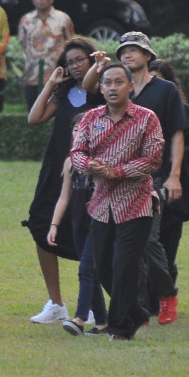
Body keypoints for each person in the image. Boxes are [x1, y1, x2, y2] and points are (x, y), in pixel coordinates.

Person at [84, 32, 187, 325]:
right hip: (111, 181)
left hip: (152, 176)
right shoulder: (115, 86)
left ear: (148, 55)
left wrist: (175, 176)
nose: (128, 54)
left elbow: (177, 133)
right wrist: (98, 67)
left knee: (148, 241)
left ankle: (166, 294)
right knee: (116, 250)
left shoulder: (165, 90)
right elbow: (87, 88)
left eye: (135, 50)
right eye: (124, 51)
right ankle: (136, 306)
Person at [71, 63, 163, 341]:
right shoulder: (91, 118)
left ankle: (120, 328)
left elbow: (153, 159)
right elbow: (77, 152)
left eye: (119, 82)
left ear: (130, 86)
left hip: (136, 203)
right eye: (107, 83)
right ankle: (135, 311)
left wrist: (117, 172)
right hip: (100, 204)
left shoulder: (147, 118)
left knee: (125, 264)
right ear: (100, 88)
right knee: (103, 266)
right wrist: (89, 166)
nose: (113, 87)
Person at [24, 37, 104, 324]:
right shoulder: (65, 92)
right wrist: (51, 83)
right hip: (57, 168)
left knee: (88, 232)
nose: (75, 66)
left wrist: (97, 67)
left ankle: (94, 305)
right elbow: (34, 118)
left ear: (91, 60)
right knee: (40, 225)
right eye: (70, 62)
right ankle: (56, 303)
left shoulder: (101, 90)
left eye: (80, 60)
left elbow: (91, 84)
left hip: (90, 173)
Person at [47, 114, 109, 336]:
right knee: (91, 272)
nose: (78, 133)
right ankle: (102, 323)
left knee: (85, 270)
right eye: (75, 129)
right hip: (78, 223)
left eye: (84, 129)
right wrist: (54, 225)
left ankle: (80, 319)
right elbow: (64, 197)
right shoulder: (69, 163)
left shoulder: (102, 161)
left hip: (98, 222)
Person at [148, 59, 189, 292]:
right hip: (144, 185)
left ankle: (165, 293)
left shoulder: (184, 112)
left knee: (166, 245)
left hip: (172, 190)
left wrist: (172, 159)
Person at [18, 0, 75, 110]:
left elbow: (70, 43)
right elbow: (23, 43)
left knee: (58, 110)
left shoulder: (63, 18)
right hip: (32, 75)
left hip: (57, 75)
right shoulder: (26, 20)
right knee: (33, 112)